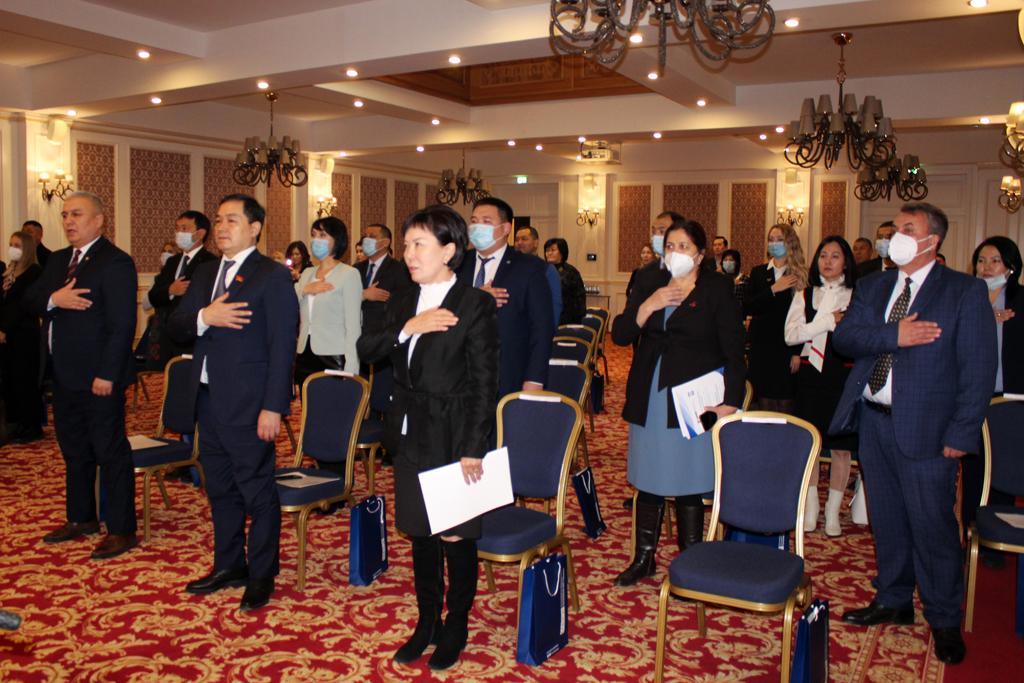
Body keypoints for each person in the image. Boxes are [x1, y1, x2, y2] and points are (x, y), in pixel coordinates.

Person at [830, 202, 996, 666]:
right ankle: (894, 598)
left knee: (932, 525)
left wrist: (962, 433)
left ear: (932, 240)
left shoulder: (963, 291)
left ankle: (943, 617)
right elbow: (846, 339)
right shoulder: (874, 285)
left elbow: (979, 370)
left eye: (907, 228)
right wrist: (893, 336)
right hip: (874, 422)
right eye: (895, 228)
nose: (895, 235)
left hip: (931, 429)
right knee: (886, 520)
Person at [356, 204, 498, 671]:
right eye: (406, 244)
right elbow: (366, 348)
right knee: (420, 531)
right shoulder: (402, 299)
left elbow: (484, 385)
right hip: (410, 430)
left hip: (455, 434)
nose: (409, 254)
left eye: (419, 244)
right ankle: (427, 621)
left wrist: (473, 447)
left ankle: (456, 622)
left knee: (455, 534)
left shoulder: (473, 304)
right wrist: (408, 328)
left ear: (449, 250)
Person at [168, 193, 298, 612]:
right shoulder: (207, 272)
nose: (222, 227)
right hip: (207, 398)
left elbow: (283, 346)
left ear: (255, 228)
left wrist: (273, 407)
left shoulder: (271, 275)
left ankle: (261, 574)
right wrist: (205, 317)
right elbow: (176, 326)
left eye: (232, 220)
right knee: (220, 488)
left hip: (250, 403)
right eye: (219, 220)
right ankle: (229, 564)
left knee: (256, 490)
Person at [611, 218, 746, 585]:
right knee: (649, 475)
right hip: (652, 391)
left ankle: (691, 557)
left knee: (689, 476)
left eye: (684, 246)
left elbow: (734, 350)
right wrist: (649, 305)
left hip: (694, 397)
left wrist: (731, 402)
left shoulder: (717, 287)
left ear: (700, 254)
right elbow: (621, 334)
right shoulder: (649, 279)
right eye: (670, 245)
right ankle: (644, 557)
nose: (675, 252)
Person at [25, 191, 138, 560]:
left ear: (99, 220)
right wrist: (54, 299)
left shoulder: (115, 262)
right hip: (62, 373)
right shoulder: (59, 260)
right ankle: (81, 517)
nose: (69, 221)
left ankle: (121, 528)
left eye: (77, 214)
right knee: (73, 450)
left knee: (110, 451)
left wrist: (108, 373)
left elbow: (122, 325)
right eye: (65, 215)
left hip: (98, 377)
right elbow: (31, 300)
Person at [784, 236, 857, 537]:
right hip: (811, 375)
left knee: (841, 448)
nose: (827, 261)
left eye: (835, 256)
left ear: (846, 262)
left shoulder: (856, 295)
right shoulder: (805, 294)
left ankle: (833, 512)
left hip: (843, 376)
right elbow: (791, 335)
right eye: (823, 255)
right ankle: (811, 507)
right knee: (812, 443)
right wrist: (827, 321)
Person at [961, 235, 1024, 568]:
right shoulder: (967, 298)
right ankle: (971, 534)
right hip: (972, 394)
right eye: (982, 261)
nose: (986, 267)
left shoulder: (1020, 300)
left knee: (1002, 468)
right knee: (973, 467)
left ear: (1010, 267)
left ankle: (998, 542)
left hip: (1009, 397)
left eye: (994, 261)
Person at [457, 197, 554, 397]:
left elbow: (542, 327)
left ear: (505, 228)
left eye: (486, 221)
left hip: (507, 373)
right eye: (474, 221)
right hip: (458, 375)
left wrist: (535, 379)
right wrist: (476, 300)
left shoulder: (530, 268)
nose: (477, 227)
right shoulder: (457, 264)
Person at [744, 223, 807, 412]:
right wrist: (772, 289)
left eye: (779, 239)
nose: (774, 243)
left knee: (785, 400)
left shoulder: (800, 274)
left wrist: (798, 351)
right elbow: (748, 306)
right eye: (771, 239)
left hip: (787, 345)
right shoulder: (758, 272)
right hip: (762, 345)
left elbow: (804, 316)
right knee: (762, 400)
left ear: (790, 242)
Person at [294, 216, 362, 387]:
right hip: (305, 352)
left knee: (332, 402)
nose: (316, 240)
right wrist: (305, 290)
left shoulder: (349, 274)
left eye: (322, 235)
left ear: (337, 240)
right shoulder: (307, 273)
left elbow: (353, 326)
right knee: (307, 403)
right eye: (313, 235)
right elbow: (288, 303)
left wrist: (352, 367)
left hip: (333, 354)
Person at [147, 210, 217, 369]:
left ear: (200, 233)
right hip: (164, 337)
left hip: (191, 338)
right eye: (177, 228)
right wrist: (170, 291)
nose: (179, 233)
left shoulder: (210, 263)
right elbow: (153, 296)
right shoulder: (172, 262)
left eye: (184, 228)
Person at [1, 231, 43, 443]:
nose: (13, 249)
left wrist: (5, 329)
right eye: (11, 244)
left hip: (24, 334)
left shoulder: (33, 272)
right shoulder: (10, 271)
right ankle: (16, 423)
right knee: (10, 380)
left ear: (26, 249)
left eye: (17, 245)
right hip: (8, 335)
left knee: (25, 380)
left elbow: (22, 305)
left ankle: (31, 426)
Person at [355, 223, 413, 335]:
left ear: (386, 242)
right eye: (365, 236)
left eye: (372, 236)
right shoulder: (356, 269)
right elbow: (344, 298)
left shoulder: (400, 269)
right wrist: (363, 294)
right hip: (356, 331)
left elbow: (404, 304)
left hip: (383, 333)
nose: (366, 240)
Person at [513, 225, 562, 324]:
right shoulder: (509, 268)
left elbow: (555, 304)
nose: (519, 243)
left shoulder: (547, 270)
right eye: (517, 240)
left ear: (536, 243)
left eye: (524, 239)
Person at [544, 237, 586, 326]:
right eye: (547, 250)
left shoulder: (571, 272)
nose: (549, 253)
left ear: (562, 252)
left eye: (553, 250)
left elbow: (580, 299)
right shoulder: (542, 270)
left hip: (567, 320)